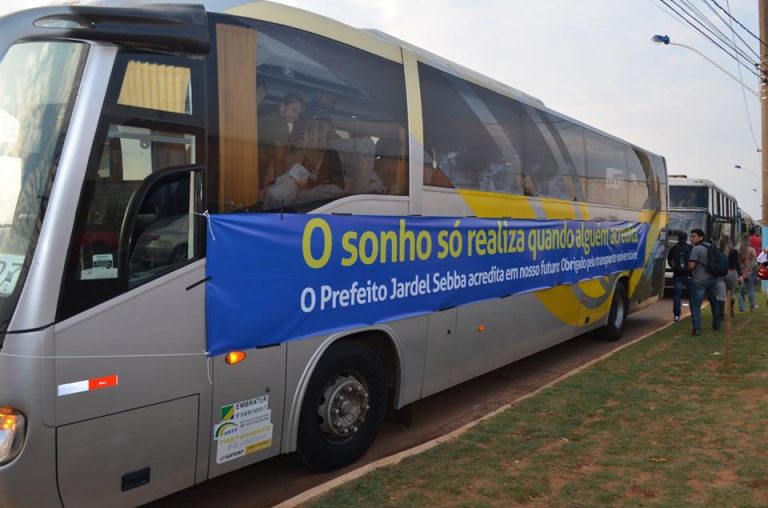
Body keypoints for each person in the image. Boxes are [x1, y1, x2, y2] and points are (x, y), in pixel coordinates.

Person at [687, 228, 721, 336]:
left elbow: (692, 266)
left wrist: (687, 266)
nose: (692, 239)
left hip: (699, 280)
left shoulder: (696, 249)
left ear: (701, 237)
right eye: (691, 236)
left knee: (695, 305)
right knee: (714, 301)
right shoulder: (711, 247)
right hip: (713, 278)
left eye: (694, 236)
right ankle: (717, 323)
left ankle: (696, 328)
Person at [666, 232, 692, 322]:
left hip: (677, 275)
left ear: (678, 238)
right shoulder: (690, 247)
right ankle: (694, 312)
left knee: (677, 295)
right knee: (692, 295)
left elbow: (669, 260)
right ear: (686, 238)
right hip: (688, 275)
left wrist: (673, 268)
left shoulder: (674, 248)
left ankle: (676, 315)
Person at [716, 234, 740, 319]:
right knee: (732, 293)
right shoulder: (734, 251)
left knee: (721, 294)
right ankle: (731, 311)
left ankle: (721, 313)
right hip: (732, 273)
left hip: (721, 274)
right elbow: (737, 264)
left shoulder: (717, 251)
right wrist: (740, 275)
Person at [737, 233, 758, 312]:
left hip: (740, 273)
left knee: (740, 290)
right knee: (751, 290)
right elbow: (755, 262)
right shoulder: (752, 250)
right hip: (750, 272)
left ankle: (742, 308)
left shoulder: (737, 250)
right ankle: (752, 306)